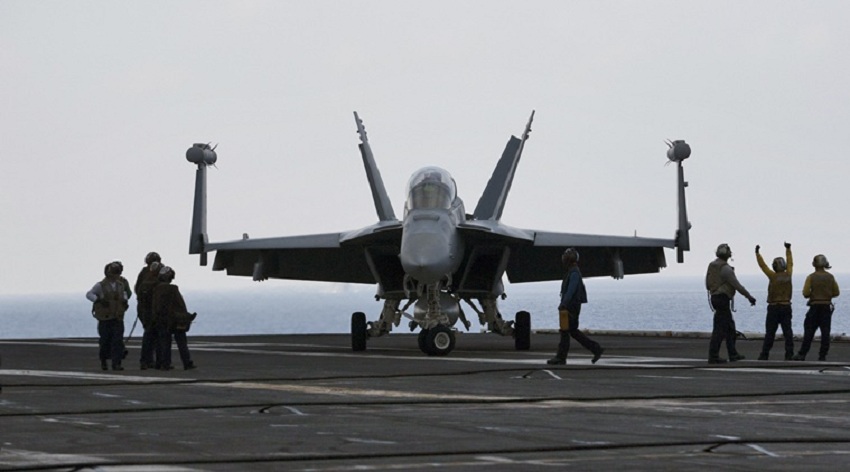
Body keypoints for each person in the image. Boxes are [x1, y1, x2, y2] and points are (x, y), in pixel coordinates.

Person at [547, 248, 604, 365]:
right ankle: (595, 349)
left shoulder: (573, 273)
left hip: (570, 307)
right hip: (572, 305)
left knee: (565, 331)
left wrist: (564, 304)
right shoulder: (573, 272)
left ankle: (561, 357)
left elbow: (571, 291)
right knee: (572, 331)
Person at [705, 243, 756, 364]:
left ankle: (732, 353)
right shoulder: (726, 269)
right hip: (723, 299)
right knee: (720, 330)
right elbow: (737, 285)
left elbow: (707, 284)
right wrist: (749, 297)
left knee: (729, 328)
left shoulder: (712, 266)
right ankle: (714, 356)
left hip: (715, 298)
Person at [86, 261, 132, 371]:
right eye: (115, 272)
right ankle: (104, 361)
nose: (117, 275)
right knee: (105, 341)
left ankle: (117, 363)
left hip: (117, 317)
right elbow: (89, 294)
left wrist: (124, 302)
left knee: (118, 341)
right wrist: (98, 300)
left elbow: (125, 295)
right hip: (105, 318)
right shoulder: (100, 285)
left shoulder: (120, 285)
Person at [793, 255, 840, 361]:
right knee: (825, 333)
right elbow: (836, 292)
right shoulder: (830, 277)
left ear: (814, 264)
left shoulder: (811, 277)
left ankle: (802, 354)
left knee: (809, 331)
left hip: (814, 307)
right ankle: (822, 356)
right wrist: (826, 295)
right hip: (826, 308)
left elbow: (805, 293)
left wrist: (814, 295)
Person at [152, 266, 197, 370]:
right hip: (175, 320)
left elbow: (155, 306)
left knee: (164, 343)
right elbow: (180, 305)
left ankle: (164, 364)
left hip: (162, 319)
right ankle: (187, 363)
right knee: (181, 343)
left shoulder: (157, 290)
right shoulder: (173, 289)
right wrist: (186, 316)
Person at [755, 242, 794, 360]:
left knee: (770, 333)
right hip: (786, 306)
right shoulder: (788, 274)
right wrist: (788, 249)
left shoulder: (772, 276)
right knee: (788, 332)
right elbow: (790, 262)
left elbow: (763, 266)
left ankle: (764, 354)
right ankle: (789, 354)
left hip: (773, 308)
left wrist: (757, 254)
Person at [134, 251, 162, 370]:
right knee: (153, 335)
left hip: (146, 309)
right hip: (151, 310)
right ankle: (150, 361)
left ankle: (148, 361)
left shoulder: (144, 274)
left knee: (150, 335)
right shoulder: (156, 274)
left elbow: (137, 290)